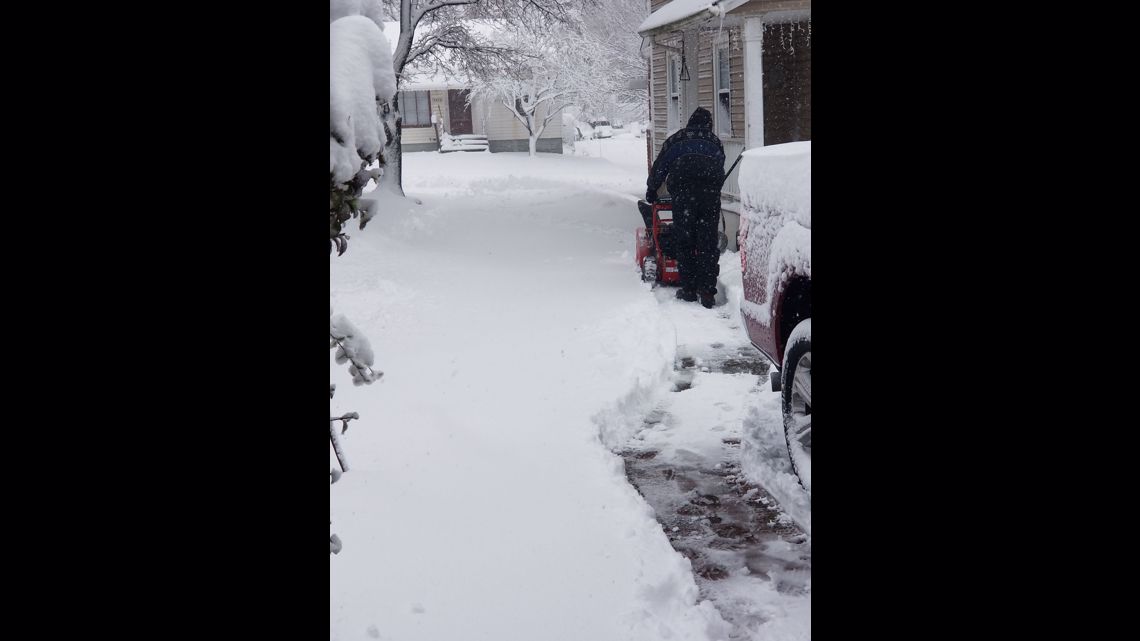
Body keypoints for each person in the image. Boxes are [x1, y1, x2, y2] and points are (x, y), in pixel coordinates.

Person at [645, 107, 725, 308]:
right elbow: (720, 168)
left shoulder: (677, 139)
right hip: (710, 197)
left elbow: (660, 166)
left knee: (685, 240)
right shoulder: (715, 142)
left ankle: (689, 289)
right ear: (709, 124)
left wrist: (652, 189)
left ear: (690, 122)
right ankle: (707, 292)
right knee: (707, 242)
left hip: (684, 196)